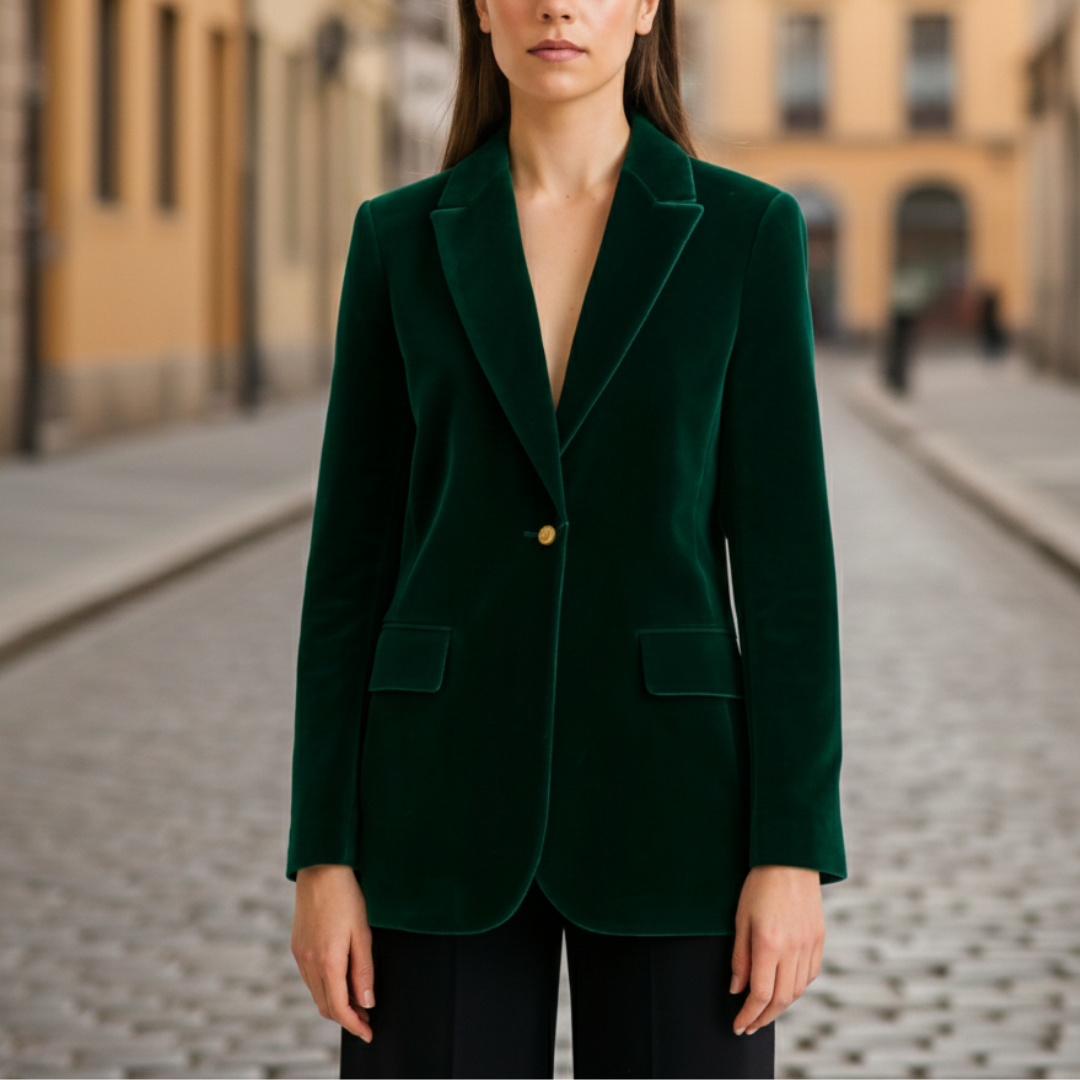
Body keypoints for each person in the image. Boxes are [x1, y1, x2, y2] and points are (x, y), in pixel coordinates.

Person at [286, 0, 848, 1071]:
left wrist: (792, 852)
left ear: (644, 10)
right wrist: (324, 852)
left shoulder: (743, 232)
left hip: (678, 811)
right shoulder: (398, 239)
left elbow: (787, 578)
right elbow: (347, 574)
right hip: (435, 809)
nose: (557, 6)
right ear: (481, 11)